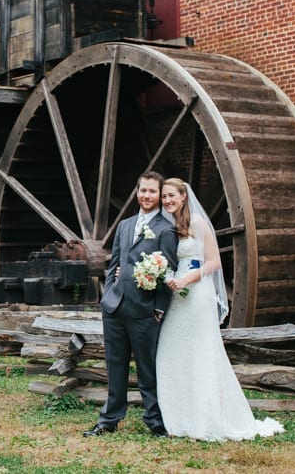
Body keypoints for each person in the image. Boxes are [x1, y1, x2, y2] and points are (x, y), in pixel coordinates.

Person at [157, 178, 284, 440]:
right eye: (164, 197)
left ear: (183, 196)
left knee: (201, 352)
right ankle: (176, 417)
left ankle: (206, 418)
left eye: (171, 196)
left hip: (196, 294)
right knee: (172, 351)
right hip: (176, 294)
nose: (167, 201)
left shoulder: (199, 223)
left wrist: (187, 279)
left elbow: (214, 263)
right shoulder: (169, 226)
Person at [83, 171, 178, 437]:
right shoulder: (124, 225)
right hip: (115, 307)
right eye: (143, 190)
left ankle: (155, 421)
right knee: (115, 365)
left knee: (147, 368)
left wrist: (159, 308)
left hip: (145, 310)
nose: (147, 196)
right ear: (137, 192)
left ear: (159, 196)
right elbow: (115, 263)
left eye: (152, 192)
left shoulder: (166, 229)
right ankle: (108, 421)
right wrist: (109, 295)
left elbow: (169, 270)